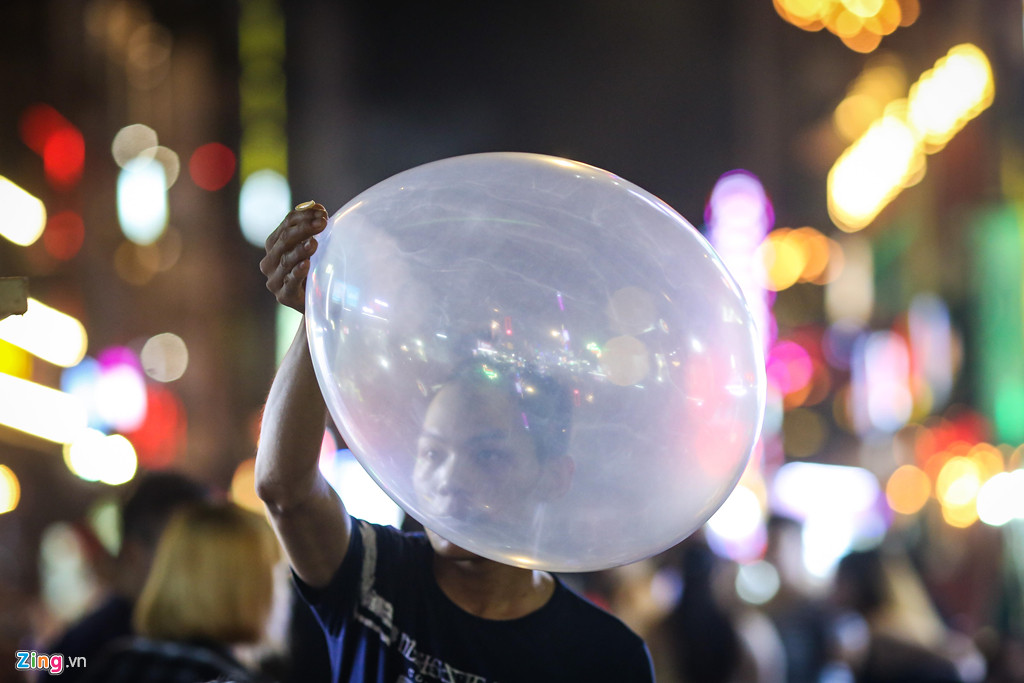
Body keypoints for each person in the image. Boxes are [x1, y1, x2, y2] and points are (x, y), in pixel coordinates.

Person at [255, 201, 655, 682]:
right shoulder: (372, 574)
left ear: (553, 476)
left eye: (487, 455)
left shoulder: (605, 656)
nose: (449, 479)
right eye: (432, 452)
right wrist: (316, 312)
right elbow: (284, 490)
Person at [82, 500, 281, 683]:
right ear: (248, 587)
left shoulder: (119, 661)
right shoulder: (227, 676)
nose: (282, 592)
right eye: (276, 574)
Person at [39, 471, 208, 683]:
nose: (203, 565)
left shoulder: (203, 640)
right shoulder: (87, 651)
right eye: (183, 550)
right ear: (134, 554)